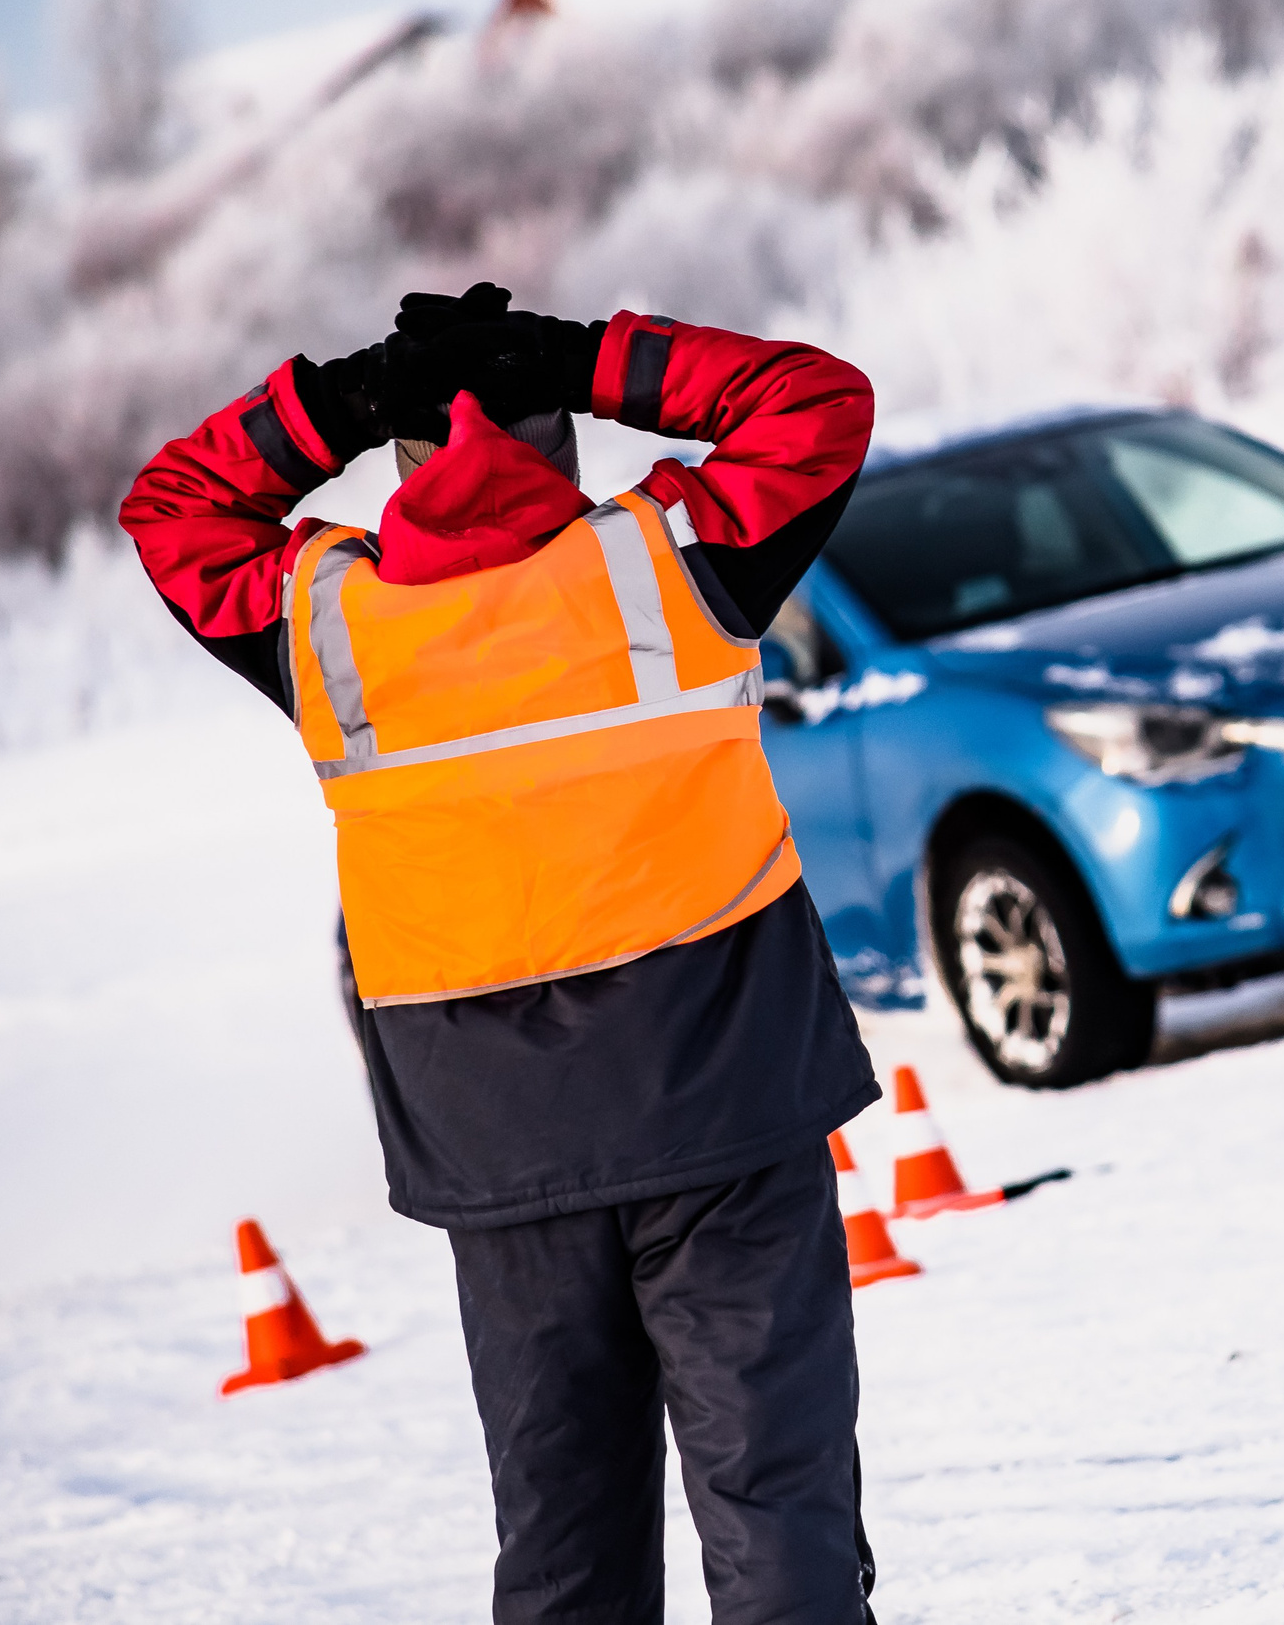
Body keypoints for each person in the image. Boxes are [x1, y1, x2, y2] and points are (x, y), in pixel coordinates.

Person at [119, 285, 882, 1624]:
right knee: (777, 1510)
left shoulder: (331, 625)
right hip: (726, 1103)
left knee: (563, 1542)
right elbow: (812, 405)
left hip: (501, 1152)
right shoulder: (667, 564)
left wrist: (340, 399)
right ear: (562, 442)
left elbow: (174, 509)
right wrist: (598, 359)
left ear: (405, 457)